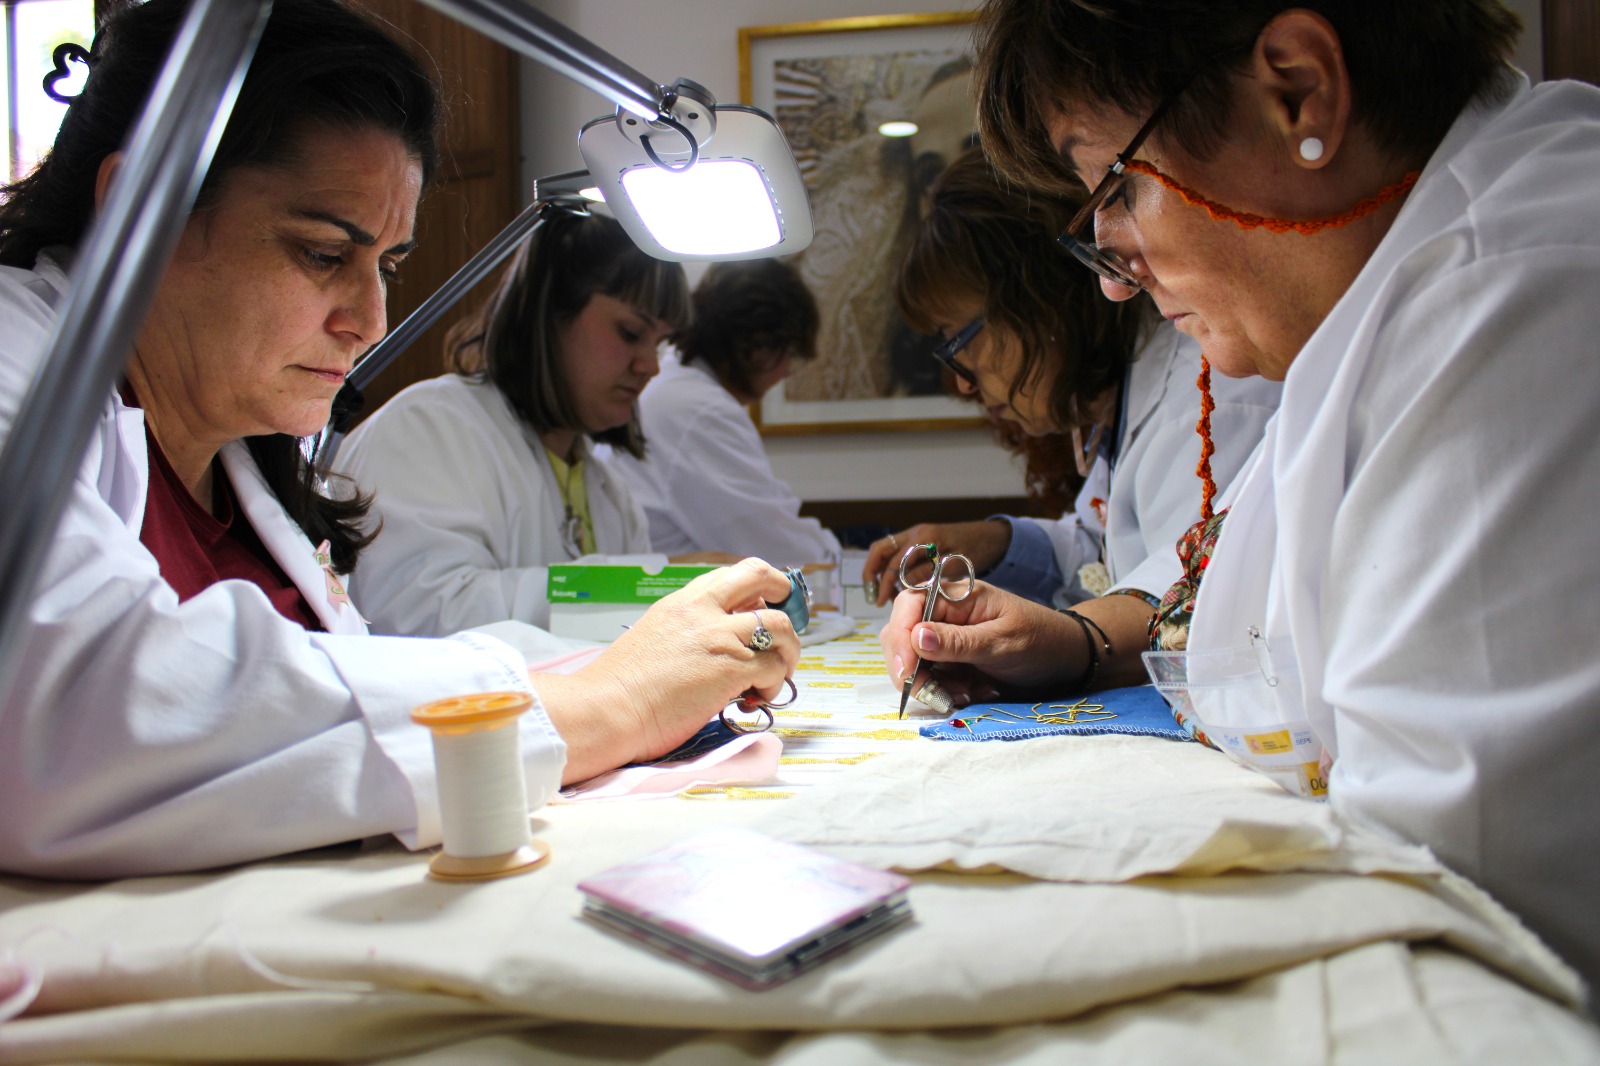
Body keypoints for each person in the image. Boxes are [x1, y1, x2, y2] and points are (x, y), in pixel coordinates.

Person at [883, 0, 1600, 993]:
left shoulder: (1512, 297)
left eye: (1121, 187)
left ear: (1297, 89)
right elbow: (1229, 603)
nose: (1111, 277)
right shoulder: (1375, 310)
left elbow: (1461, 897)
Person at [0, 0, 798, 880]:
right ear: (141, 211)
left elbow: (340, 682)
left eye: (384, 265)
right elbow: (80, 717)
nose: (370, 321)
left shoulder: (243, 462)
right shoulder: (14, 362)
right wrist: (611, 703)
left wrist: (652, 657)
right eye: (320, 254)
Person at [866, 146, 1278, 692]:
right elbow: (1110, 547)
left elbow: (1194, 590)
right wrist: (997, 541)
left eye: (957, 340)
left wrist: (1076, 644)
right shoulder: (1128, 392)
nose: (963, 380)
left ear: (1041, 299)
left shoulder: (1210, 395)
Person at [336, 211, 729, 636]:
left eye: (661, 343)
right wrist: (654, 580)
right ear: (549, 317)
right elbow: (418, 615)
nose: (650, 366)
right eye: (631, 333)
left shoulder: (609, 493)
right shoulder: (426, 428)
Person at [609, 258, 842, 566]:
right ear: (756, 344)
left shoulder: (680, 390)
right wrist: (841, 559)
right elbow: (776, 549)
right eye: (789, 353)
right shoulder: (697, 410)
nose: (786, 371)